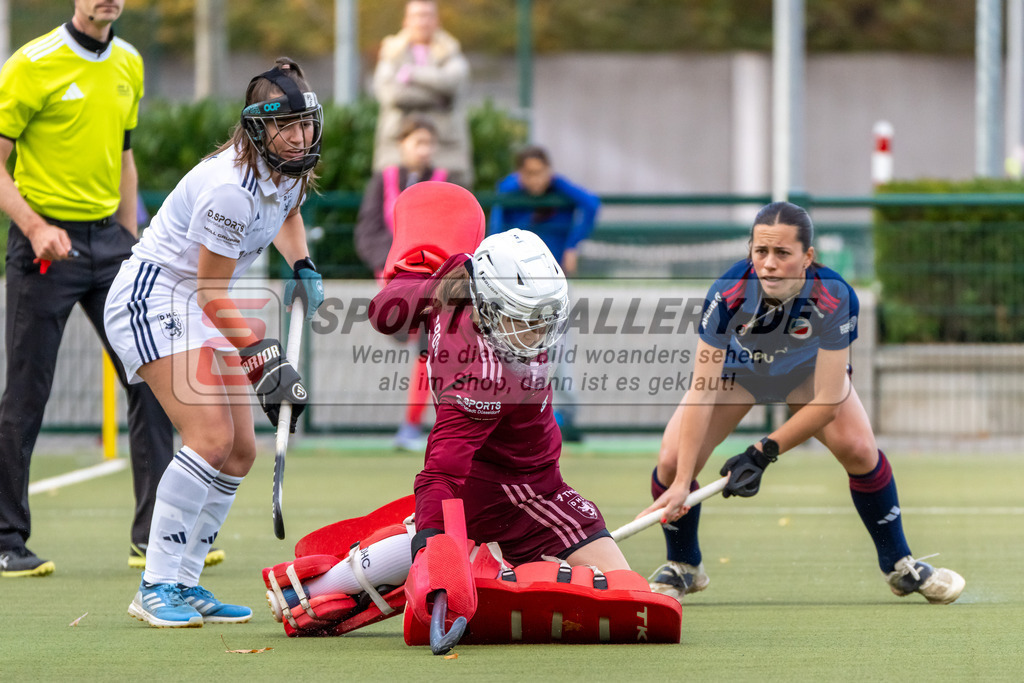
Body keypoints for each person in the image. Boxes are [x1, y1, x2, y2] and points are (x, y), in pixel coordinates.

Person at [640, 201, 965, 605]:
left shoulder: (833, 297)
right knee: (672, 461)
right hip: (740, 374)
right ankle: (684, 566)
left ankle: (899, 564)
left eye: (782, 253)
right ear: (750, 252)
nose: (770, 264)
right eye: (761, 252)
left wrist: (760, 453)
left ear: (807, 257)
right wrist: (678, 483)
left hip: (804, 375)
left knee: (859, 448)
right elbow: (702, 390)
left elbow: (828, 401)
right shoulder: (726, 294)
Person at [103, 57, 325, 627]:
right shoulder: (229, 190)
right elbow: (208, 292)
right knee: (209, 436)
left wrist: (301, 263)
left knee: (242, 450)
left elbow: (289, 210)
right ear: (257, 128)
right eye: (287, 126)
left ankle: (185, 581)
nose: (300, 137)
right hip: (154, 298)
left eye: (306, 124)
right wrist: (264, 358)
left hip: (199, 300)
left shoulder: (286, 167)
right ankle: (154, 586)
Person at [0, 0, 184, 578]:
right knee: (28, 393)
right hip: (43, 247)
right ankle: (7, 539)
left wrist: (132, 241)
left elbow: (125, 160)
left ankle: (154, 537)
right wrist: (34, 227)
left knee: (151, 378)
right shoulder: (31, 63)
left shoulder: (130, 62)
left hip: (112, 245)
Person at [369, 223, 628, 572]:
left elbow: (384, 312)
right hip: (523, 493)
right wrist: (430, 546)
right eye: (527, 318)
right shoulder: (488, 376)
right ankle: (460, 553)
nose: (540, 332)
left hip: (498, 484)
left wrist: (423, 283)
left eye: (546, 318)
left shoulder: (460, 272)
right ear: (491, 306)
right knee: (622, 588)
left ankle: (359, 571)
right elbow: (441, 473)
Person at [490, 145, 601, 440]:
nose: (536, 180)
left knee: (559, 350)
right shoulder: (509, 191)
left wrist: (573, 245)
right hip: (516, 287)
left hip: (555, 285)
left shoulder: (560, 189)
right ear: (520, 174)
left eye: (541, 172)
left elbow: (591, 204)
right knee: (513, 350)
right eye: (529, 174)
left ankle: (567, 418)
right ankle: (514, 417)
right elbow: (495, 228)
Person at [355, 116, 448, 450]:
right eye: (418, 142)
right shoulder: (384, 180)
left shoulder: (446, 181)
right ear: (402, 144)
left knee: (431, 351)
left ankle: (416, 427)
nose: (424, 150)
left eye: (429, 143)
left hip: (436, 282)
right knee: (404, 338)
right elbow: (367, 230)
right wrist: (388, 267)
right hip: (393, 278)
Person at [372, 0, 472, 187]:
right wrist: (439, 96)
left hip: (446, 151)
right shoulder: (392, 52)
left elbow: (453, 83)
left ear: (437, 21)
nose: (422, 21)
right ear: (406, 21)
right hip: (395, 152)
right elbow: (392, 95)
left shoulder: (451, 51)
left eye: (427, 15)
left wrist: (412, 74)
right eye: (417, 16)